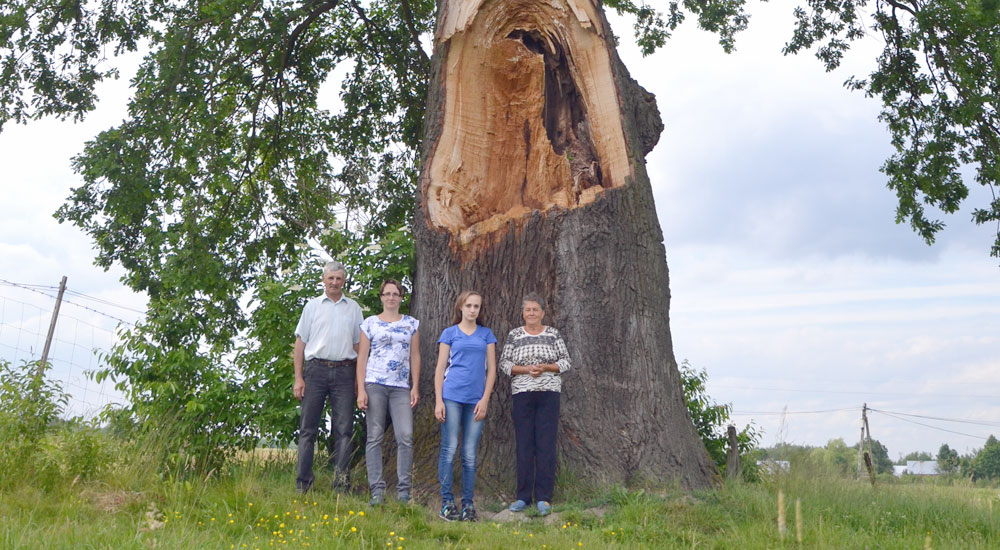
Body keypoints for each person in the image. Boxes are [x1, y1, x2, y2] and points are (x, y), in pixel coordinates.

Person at [293, 260, 363, 493]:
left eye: (339, 278)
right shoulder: (312, 307)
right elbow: (300, 343)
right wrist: (298, 378)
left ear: (344, 281)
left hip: (345, 371)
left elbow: (358, 345)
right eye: (330, 278)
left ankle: (341, 484)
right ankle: (303, 483)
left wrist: (358, 380)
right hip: (315, 372)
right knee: (308, 429)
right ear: (323, 279)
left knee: (343, 429)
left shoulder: (353, 308)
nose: (334, 282)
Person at [499, 293, 571, 516]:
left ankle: (543, 498)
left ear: (542, 312)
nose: (531, 313)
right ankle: (522, 497)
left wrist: (546, 368)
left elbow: (566, 362)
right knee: (524, 445)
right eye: (527, 310)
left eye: (535, 310)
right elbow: (504, 363)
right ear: (523, 313)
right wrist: (525, 370)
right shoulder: (514, 335)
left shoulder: (553, 334)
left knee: (546, 445)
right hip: (522, 393)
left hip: (548, 393)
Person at [434, 290, 497, 522]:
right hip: (451, 396)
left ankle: (468, 504)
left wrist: (485, 399)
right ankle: (447, 503)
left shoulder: (486, 335)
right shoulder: (450, 333)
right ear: (460, 307)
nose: (472, 310)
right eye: (469, 306)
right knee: (449, 450)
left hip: (475, 401)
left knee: (469, 454)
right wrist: (439, 400)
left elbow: (491, 370)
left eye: (476, 307)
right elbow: (440, 369)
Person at [356, 279, 421, 506]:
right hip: (374, 384)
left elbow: (415, 356)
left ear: (401, 298)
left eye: (396, 294)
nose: (391, 297)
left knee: (405, 435)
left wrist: (415, 386)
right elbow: (362, 358)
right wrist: (361, 390)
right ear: (381, 297)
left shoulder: (411, 323)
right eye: (387, 294)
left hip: (401, 387)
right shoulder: (370, 323)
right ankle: (377, 490)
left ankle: (404, 491)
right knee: (374, 436)